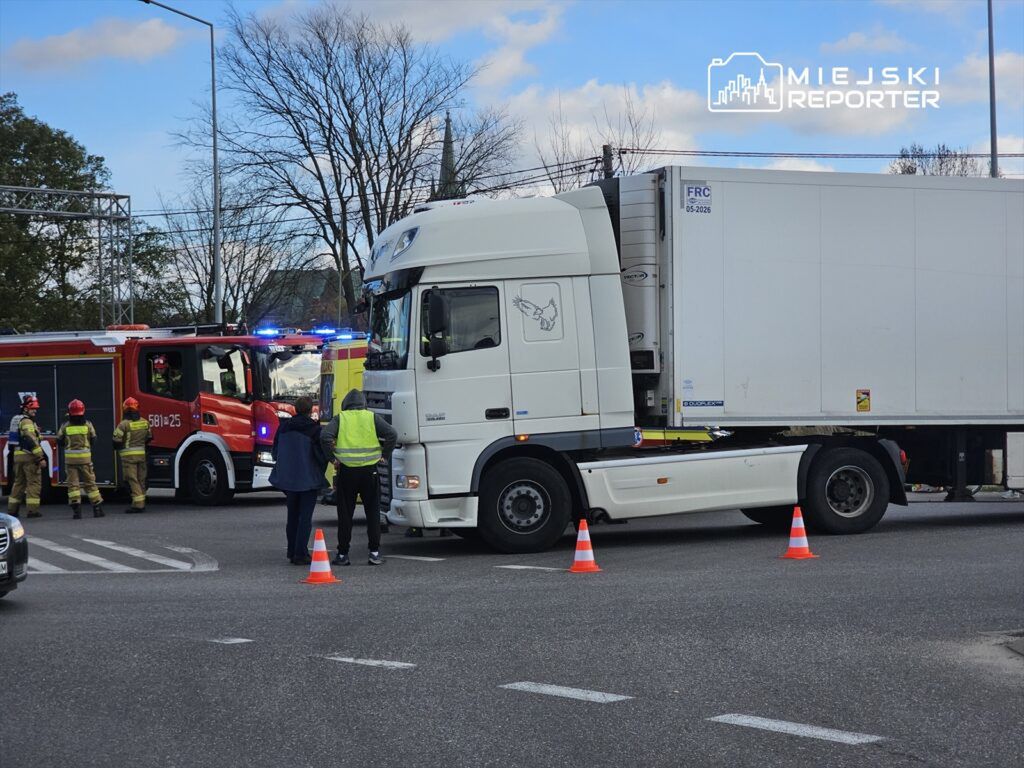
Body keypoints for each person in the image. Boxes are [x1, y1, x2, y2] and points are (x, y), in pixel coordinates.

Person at [321, 389, 397, 566]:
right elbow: (392, 434)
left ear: (345, 404)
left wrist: (333, 459)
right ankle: (374, 552)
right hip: (370, 471)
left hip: (347, 472)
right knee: (372, 512)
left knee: (345, 514)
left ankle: (343, 554)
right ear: (363, 403)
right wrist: (385, 455)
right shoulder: (371, 417)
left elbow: (325, 436)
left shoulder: (341, 418)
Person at [269, 396, 327, 565]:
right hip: (308, 479)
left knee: (292, 515)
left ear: (295, 409)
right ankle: (300, 553)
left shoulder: (284, 427)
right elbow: (321, 455)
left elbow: (275, 451)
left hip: (288, 479)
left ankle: (291, 550)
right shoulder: (315, 430)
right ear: (311, 411)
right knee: (305, 518)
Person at [56, 399, 104, 519]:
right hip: (85, 460)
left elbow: (59, 441)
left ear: (70, 412)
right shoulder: (88, 425)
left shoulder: (65, 426)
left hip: (70, 461)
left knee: (73, 485)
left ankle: (77, 511)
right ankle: (97, 509)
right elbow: (94, 440)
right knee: (90, 484)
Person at [7, 395, 46, 519]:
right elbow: (31, 440)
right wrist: (40, 457)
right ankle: (32, 511)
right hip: (29, 457)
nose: (35, 411)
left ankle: (12, 511)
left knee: (18, 483)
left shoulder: (17, 419)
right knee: (33, 483)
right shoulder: (27, 422)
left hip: (18, 457)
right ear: (26, 409)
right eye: (32, 409)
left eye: (35, 408)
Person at [112, 397, 152, 513]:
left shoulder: (123, 425)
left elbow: (116, 440)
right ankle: (140, 501)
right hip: (142, 455)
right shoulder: (145, 422)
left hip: (128, 458)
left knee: (132, 480)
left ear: (125, 409)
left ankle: (138, 505)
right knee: (141, 479)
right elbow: (149, 438)